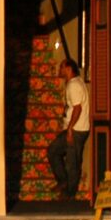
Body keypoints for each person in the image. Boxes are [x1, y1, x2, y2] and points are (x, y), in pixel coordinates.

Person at [46, 60, 91, 201]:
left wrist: (70, 129)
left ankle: (70, 193)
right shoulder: (75, 83)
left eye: (62, 67)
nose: (60, 69)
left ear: (69, 69)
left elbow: (78, 108)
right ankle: (63, 181)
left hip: (77, 129)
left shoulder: (73, 85)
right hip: (75, 128)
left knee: (72, 162)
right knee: (53, 150)